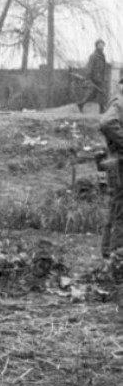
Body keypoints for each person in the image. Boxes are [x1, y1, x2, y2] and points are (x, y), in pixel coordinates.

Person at [98, 76, 123, 259]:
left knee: (116, 207)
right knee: (120, 209)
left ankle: (109, 253)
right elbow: (107, 123)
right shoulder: (119, 103)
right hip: (118, 162)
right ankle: (117, 256)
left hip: (116, 161)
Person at [81, 39, 110, 114]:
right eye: (99, 44)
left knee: (99, 94)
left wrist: (104, 77)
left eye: (102, 44)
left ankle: (102, 109)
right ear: (96, 46)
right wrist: (88, 78)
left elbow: (103, 68)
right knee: (93, 94)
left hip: (100, 79)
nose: (101, 46)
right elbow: (89, 67)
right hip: (95, 78)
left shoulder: (102, 56)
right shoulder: (93, 56)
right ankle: (81, 105)